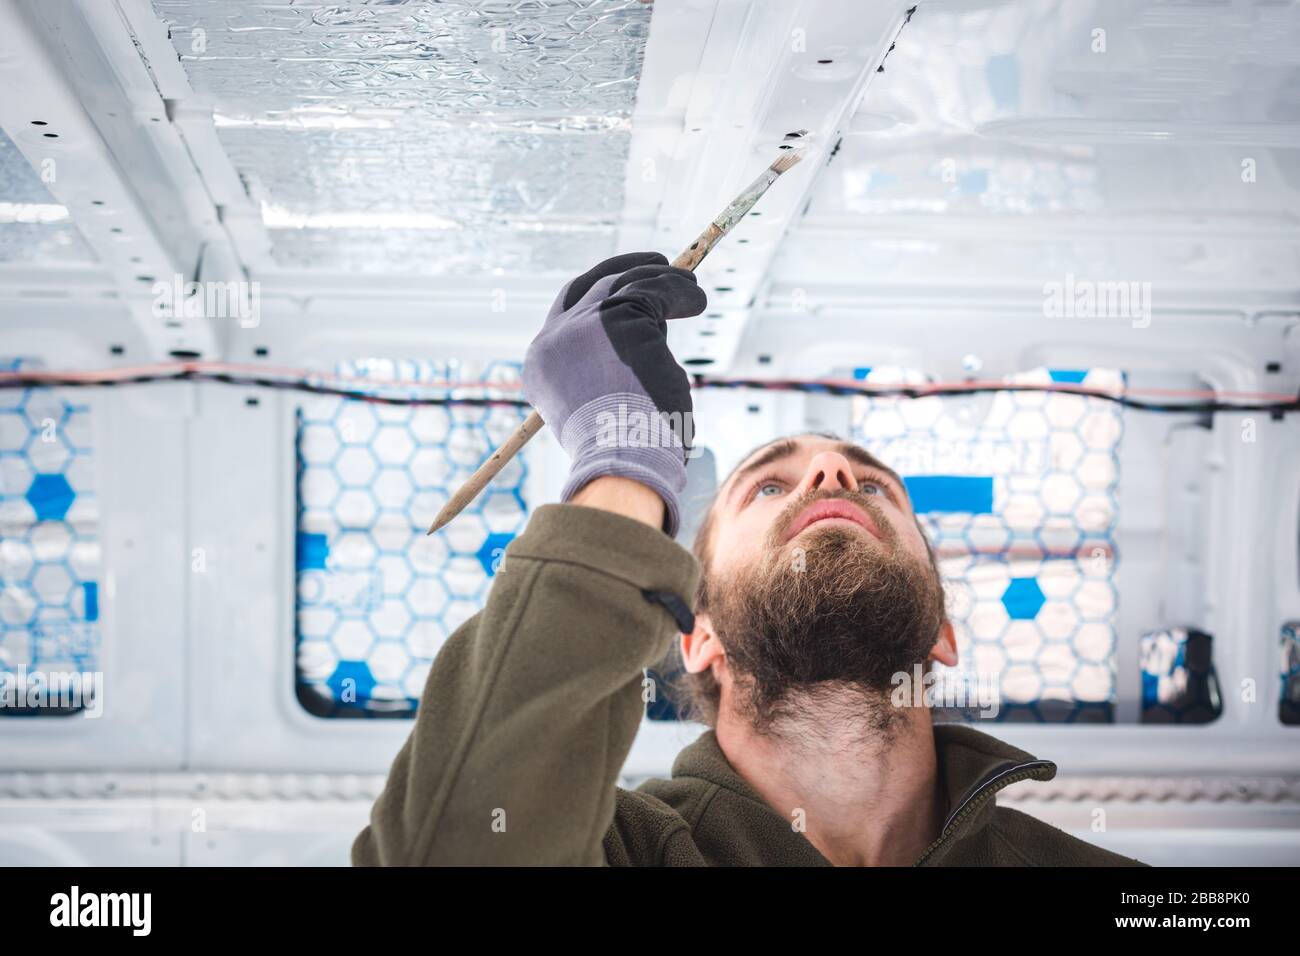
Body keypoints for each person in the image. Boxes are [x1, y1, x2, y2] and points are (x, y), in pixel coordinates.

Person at [352, 253, 1147, 866]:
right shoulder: (609, 849)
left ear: (942, 632)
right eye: (768, 487)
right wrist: (627, 454)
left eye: (874, 487)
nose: (834, 476)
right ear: (698, 636)